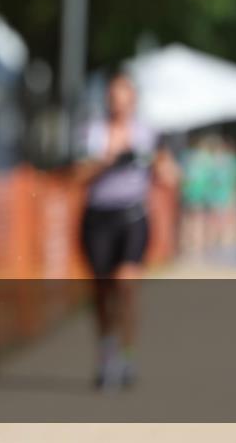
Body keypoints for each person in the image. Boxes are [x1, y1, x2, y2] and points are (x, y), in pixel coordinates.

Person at [74, 72, 173, 390]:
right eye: (113, 98)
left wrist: (156, 164)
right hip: (98, 218)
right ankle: (106, 356)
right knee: (102, 293)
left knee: (127, 287)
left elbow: (169, 175)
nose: (118, 104)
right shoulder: (94, 132)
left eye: (124, 98)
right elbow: (76, 175)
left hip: (132, 217)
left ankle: (128, 357)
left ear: (133, 100)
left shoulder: (148, 133)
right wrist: (108, 160)